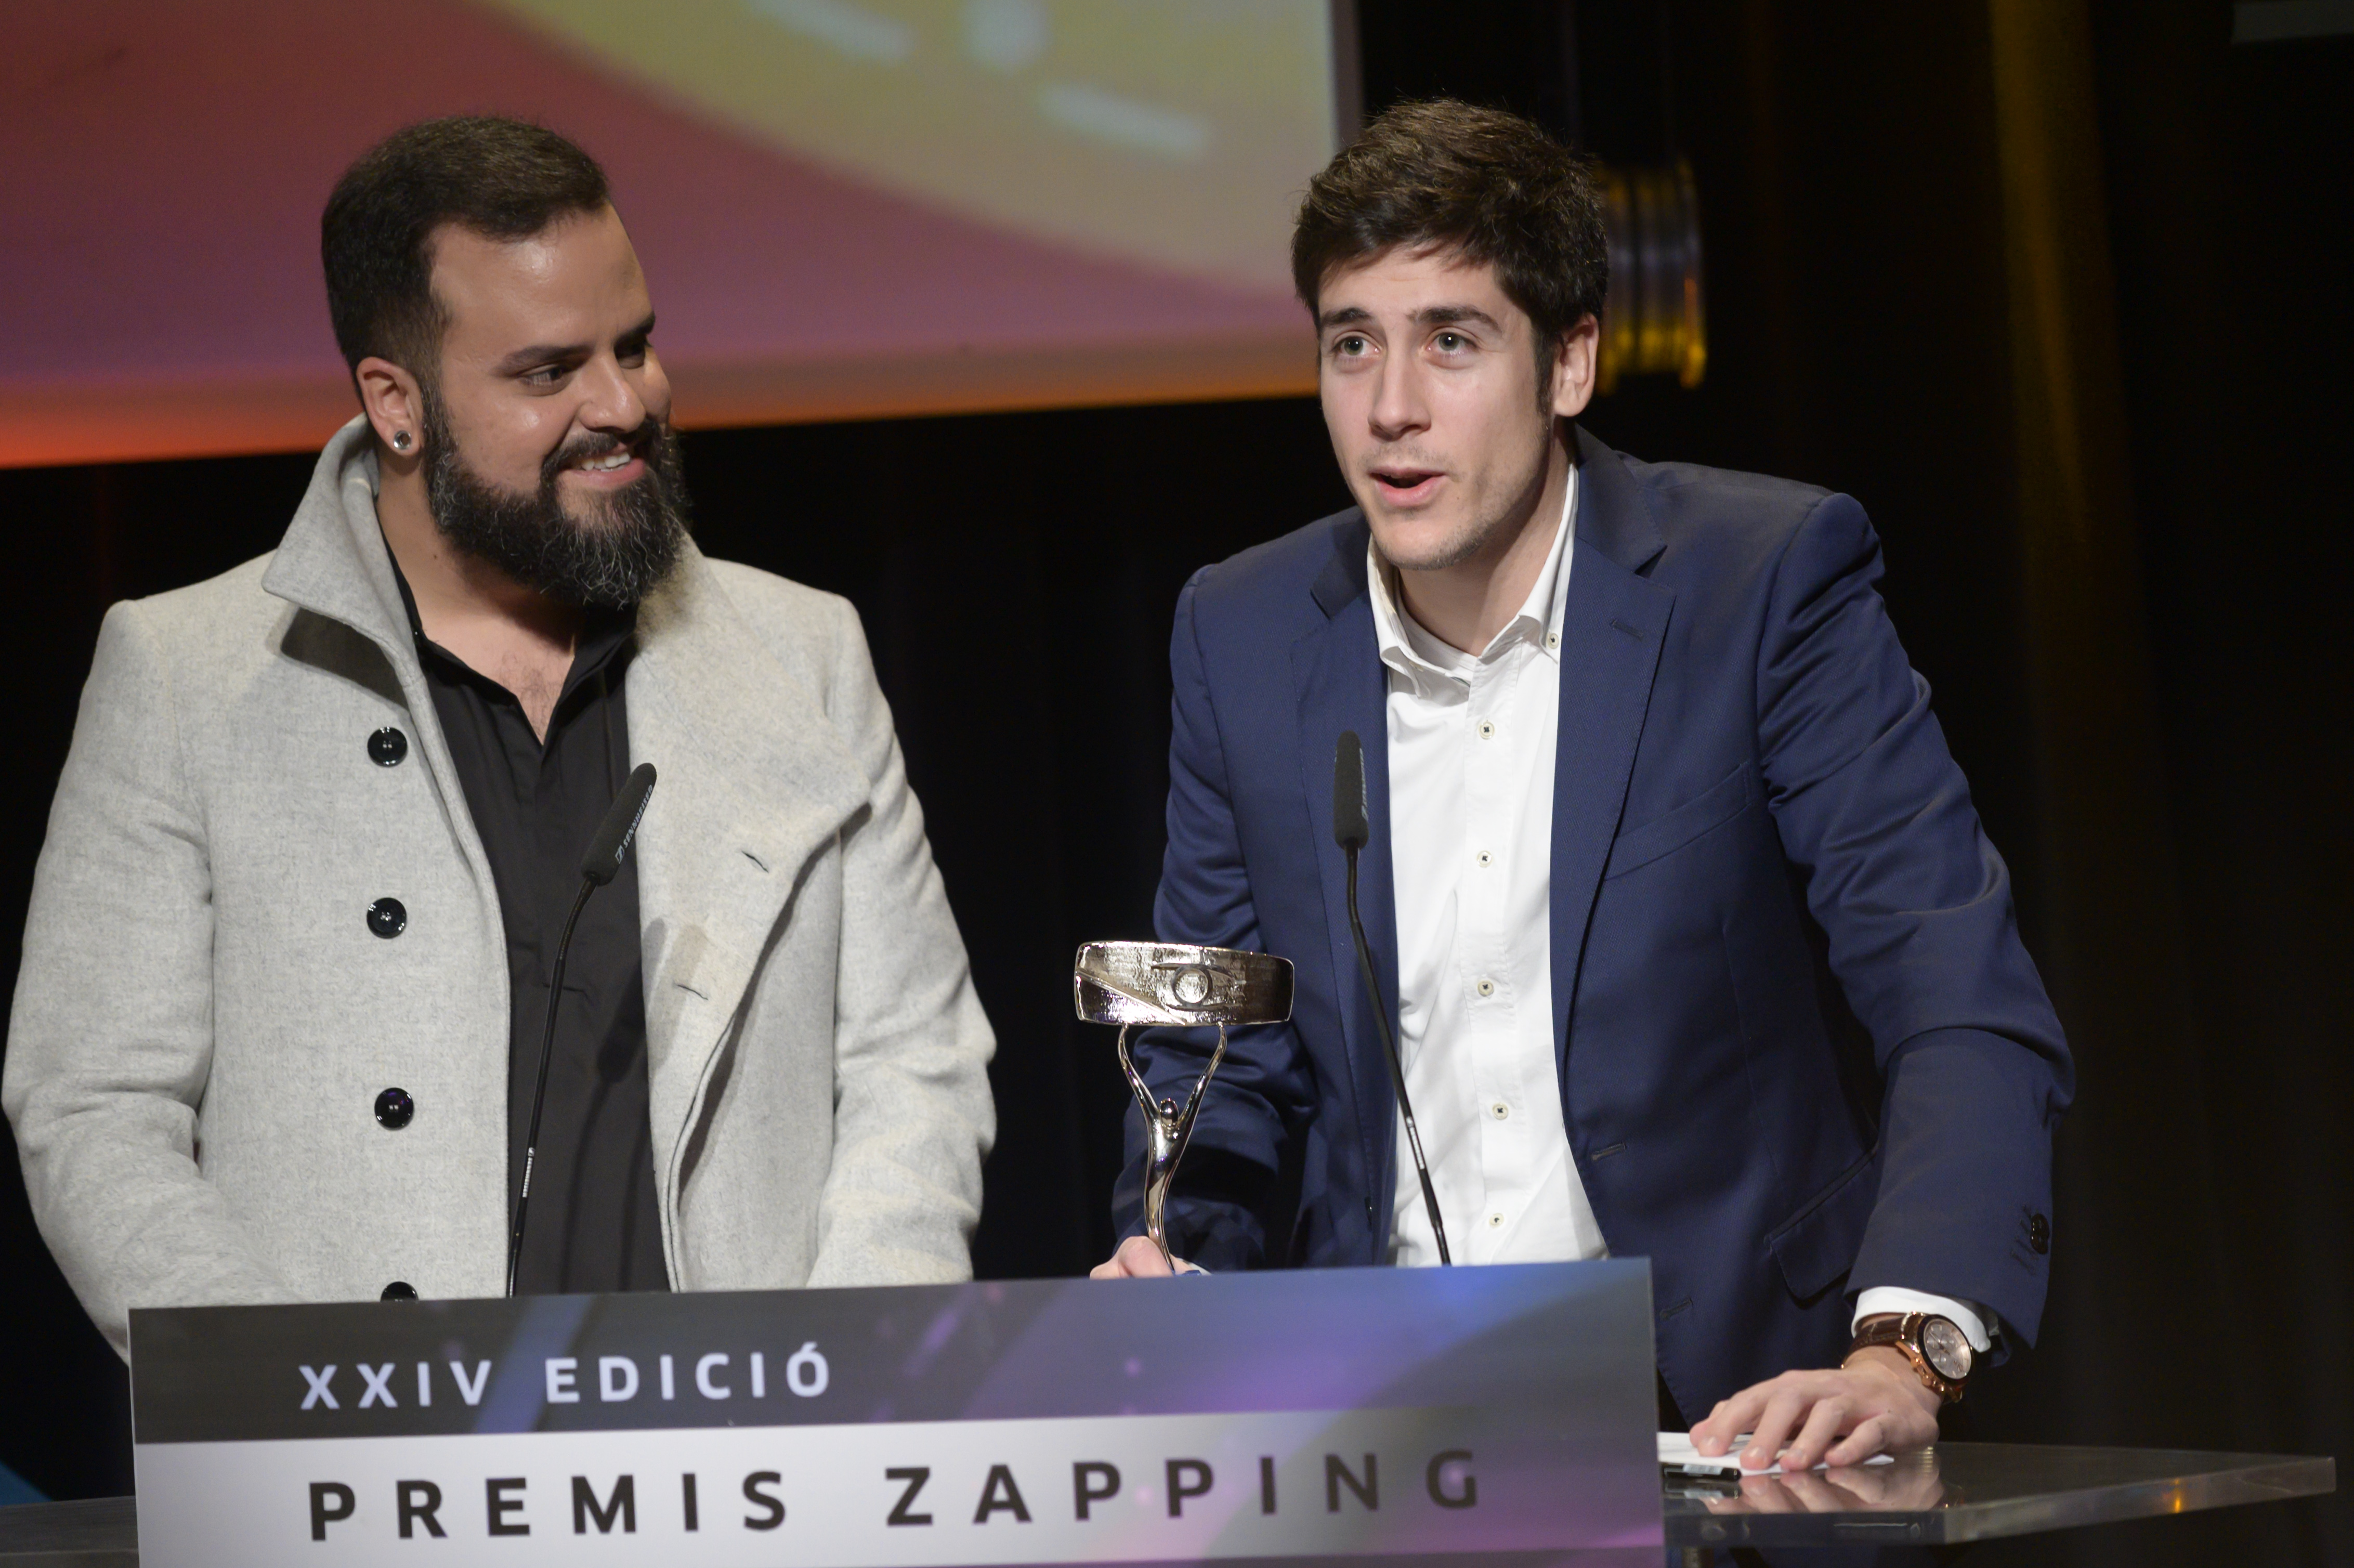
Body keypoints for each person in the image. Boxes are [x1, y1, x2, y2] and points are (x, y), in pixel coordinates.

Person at [1095, 100, 2071, 1473]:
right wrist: (1181, 1267)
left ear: (1569, 362)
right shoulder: (1242, 634)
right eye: (1352, 343)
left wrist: (1900, 1350)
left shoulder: (1758, 583)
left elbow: (1954, 992)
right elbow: (1219, 1057)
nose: (1390, 407)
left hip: (1733, 1427)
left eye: (1451, 341)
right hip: (1386, 1446)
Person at [4, 116, 995, 1355]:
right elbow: (94, 1107)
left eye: (634, 345)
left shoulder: (802, 655)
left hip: (745, 1439)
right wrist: (291, 1394)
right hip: (364, 1455)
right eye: (548, 371)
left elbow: (914, 1059)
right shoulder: (185, 675)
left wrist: (847, 1370)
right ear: (397, 404)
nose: (622, 403)